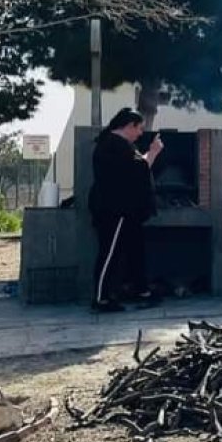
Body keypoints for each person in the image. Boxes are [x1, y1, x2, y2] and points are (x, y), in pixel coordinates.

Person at [88, 108, 162, 313]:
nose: (140, 134)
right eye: (139, 129)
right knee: (109, 253)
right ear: (129, 126)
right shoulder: (114, 146)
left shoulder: (121, 145)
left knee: (134, 249)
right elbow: (140, 169)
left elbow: (138, 165)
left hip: (126, 211)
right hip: (114, 209)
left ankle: (140, 290)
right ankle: (101, 298)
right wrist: (154, 151)